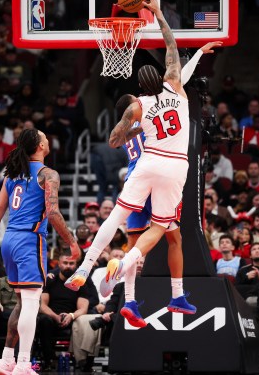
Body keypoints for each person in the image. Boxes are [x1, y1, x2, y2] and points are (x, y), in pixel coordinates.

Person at [65, 0, 220, 309]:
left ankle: (86, 266)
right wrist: (159, 14)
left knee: (116, 218)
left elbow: (113, 140)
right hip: (175, 166)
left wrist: (135, 125)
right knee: (162, 230)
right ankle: (124, 269)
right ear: (163, 79)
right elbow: (172, 51)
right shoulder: (176, 86)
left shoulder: (137, 106)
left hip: (145, 165)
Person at [104, 40, 220, 326]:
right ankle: (176, 294)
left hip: (134, 181)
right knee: (173, 238)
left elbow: (117, 137)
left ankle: (130, 301)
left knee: (135, 242)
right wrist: (196, 57)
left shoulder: (130, 124)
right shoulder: (149, 112)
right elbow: (180, 78)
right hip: (155, 179)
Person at [0, 128, 79, 375]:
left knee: (22, 304)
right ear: (40, 146)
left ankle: (6, 361)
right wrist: (71, 241)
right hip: (30, 240)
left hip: (9, 240)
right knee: (31, 306)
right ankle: (23, 364)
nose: (47, 137)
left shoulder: (13, 174)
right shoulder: (48, 174)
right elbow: (53, 213)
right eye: (44, 136)